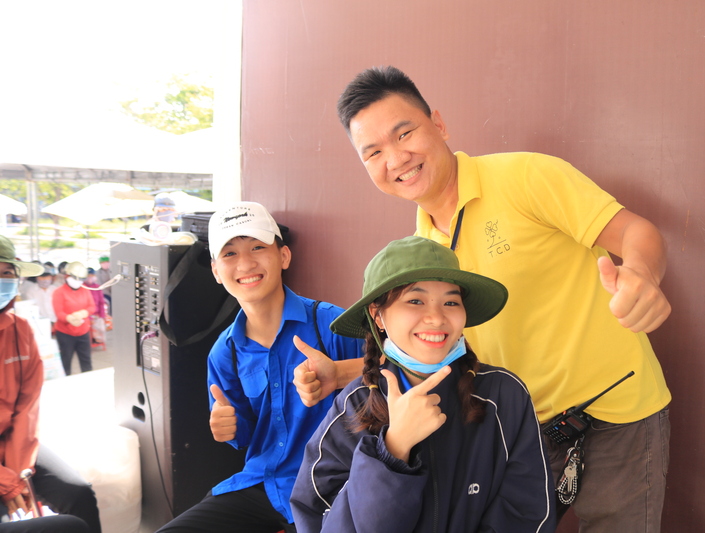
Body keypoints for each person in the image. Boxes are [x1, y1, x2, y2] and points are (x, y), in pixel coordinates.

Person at [308, 65, 672, 532]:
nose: (395, 158)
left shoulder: (525, 175)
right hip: (519, 428)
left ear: (438, 124)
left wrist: (642, 275)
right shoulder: (421, 249)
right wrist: (340, 374)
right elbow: (441, 344)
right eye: (374, 152)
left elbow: (637, 232)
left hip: (617, 413)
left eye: (404, 134)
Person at [290, 236, 555, 532]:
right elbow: (320, 518)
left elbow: (527, 513)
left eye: (451, 302)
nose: (436, 318)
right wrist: (393, 449)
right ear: (378, 316)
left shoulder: (504, 396)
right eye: (415, 301)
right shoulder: (354, 407)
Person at [156, 201, 362, 533]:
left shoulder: (332, 324)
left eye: (257, 247)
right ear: (216, 271)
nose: (246, 263)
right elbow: (246, 434)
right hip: (264, 484)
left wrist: (340, 374)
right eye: (230, 254)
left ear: (284, 256)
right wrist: (229, 428)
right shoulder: (224, 352)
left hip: (335, 484)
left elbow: (394, 370)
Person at [0, 236, 102, 533]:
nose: (1, 280)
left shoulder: (20, 329)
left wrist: (17, 474)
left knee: (79, 495)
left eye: (7, 273)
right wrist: (6, 483)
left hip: (14, 440)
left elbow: (27, 408)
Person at [51, 262, 95, 375]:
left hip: (83, 332)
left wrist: (84, 313)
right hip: (65, 334)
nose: (78, 282)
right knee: (65, 362)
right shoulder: (58, 292)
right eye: (75, 278)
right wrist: (69, 318)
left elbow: (92, 307)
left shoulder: (85, 290)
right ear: (67, 276)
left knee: (86, 362)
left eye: (81, 279)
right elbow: (59, 313)